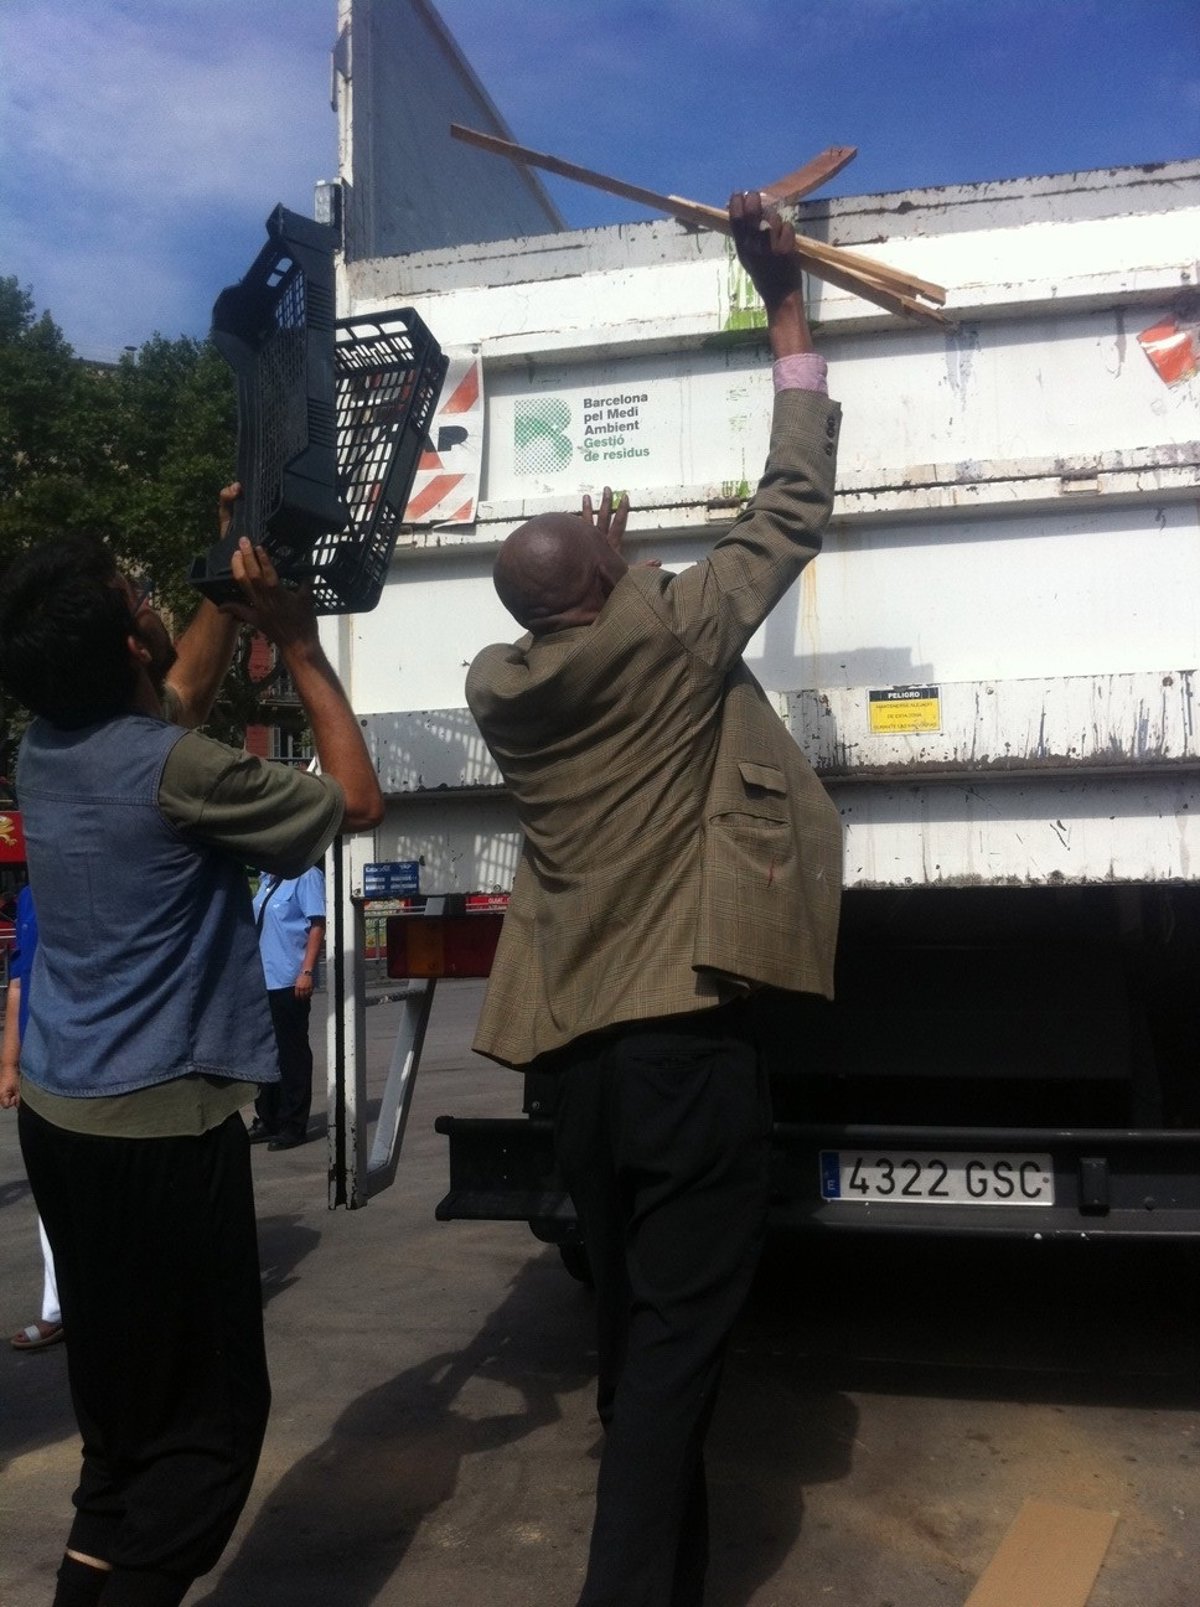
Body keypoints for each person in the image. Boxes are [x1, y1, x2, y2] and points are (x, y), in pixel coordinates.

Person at [465, 192, 843, 1606]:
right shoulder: (677, 637)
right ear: (610, 582)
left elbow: (574, 609)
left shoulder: (503, 685)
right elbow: (789, 504)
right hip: (685, 1059)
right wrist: (783, 300)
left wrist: (601, 560)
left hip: (580, 1071)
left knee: (636, 1334)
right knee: (682, 1349)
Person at [0, 517, 383, 1607]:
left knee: (123, 1426)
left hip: (63, 1119)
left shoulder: (46, 744)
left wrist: (227, 566)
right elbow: (357, 800)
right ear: (131, 643)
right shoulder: (176, 770)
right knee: (207, 1437)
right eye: (140, 598)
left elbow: (178, 694)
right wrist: (299, 643)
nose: (154, 601)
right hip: (158, 1135)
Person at [1, 882, 64, 1350]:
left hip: (100, 1067)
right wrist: (9, 1064)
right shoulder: (28, 897)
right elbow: (18, 984)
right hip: (41, 1073)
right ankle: (58, 1309)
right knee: (52, 1197)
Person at [248, 865, 327, 1150]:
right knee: (264, 1055)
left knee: (291, 1054)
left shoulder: (306, 876)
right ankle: (268, 1119)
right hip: (262, 981)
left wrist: (307, 971)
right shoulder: (267, 878)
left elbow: (317, 924)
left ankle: (293, 1124)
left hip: (289, 979)